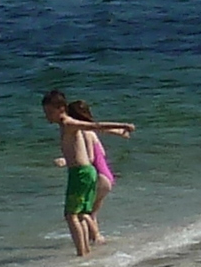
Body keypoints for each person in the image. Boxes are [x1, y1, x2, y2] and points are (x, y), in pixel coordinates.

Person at [44, 90, 138, 256]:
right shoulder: (67, 124)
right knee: (80, 214)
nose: (47, 116)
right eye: (46, 112)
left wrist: (122, 125)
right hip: (86, 172)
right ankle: (86, 250)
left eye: (50, 112)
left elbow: (95, 126)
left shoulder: (68, 123)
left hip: (80, 173)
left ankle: (82, 253)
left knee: (71, 215)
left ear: (61, 109)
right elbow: (95, 128)